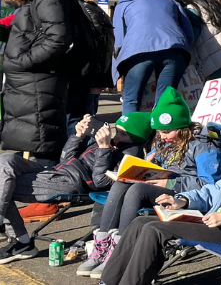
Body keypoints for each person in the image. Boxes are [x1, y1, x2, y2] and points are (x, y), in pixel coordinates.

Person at [98, 122, 221, 285]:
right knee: (140, 223)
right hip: (214, 220)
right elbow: (211, 192)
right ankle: (108, 281)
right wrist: (183, 200)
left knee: (155, 231)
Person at [78, 87, 221, 278]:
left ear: (183, 128)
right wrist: (145, 165)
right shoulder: (162, 142)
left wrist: (172, 184)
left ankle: (122, 250)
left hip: (184, 195)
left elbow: (212, 185)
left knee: (137, 190)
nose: (162, 137)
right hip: (160, 185)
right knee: (121, 184)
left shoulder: (203, 146)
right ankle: (104, 244)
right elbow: (158, 164)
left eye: (166, 132)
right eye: (159, 133)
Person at [0, 112, 152, 263]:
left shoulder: (130, 156)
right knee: (7, 159)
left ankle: (22, 242)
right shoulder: (112, 143)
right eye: (117, 131)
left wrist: (104, 148)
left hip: (68, 182)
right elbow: (65, 159)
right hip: (57, 171)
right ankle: (21, 243)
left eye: (123, 134)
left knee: (4, 182)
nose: (117, 136)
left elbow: (101, 182)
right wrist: (78, 135)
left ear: (136, 138)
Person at [1, 0, 89, 163]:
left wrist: (23, 62)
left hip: (37, 83)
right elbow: (33, 33)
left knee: (41, 144)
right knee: (38, 140)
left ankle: (43, 191)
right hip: (36, 82)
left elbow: (58, 38)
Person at [112, 0, 195, 114]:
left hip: (138, 53)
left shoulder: (124, 4)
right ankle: (163, 133)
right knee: (165, 100)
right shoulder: (170, 1)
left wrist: (117, 71)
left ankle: (129, 133)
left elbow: (119, 39)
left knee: (131, 99)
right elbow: (188, 33)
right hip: (174, 50)